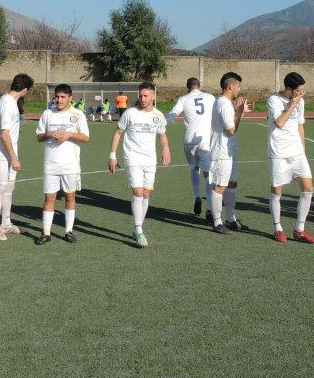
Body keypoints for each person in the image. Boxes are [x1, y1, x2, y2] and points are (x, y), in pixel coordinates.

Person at [108, 82, 171, 248]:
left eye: (146, 95)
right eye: (140, 95)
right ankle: (139, 229)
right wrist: (112, 156)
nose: (142, 98)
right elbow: (118, 133)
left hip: (150, 160)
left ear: (153, 96)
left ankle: (137, 228)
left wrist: (166, 149)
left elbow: (162, 135)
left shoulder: (158, 115)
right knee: (138, 191)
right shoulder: (130, 113)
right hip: (132, 158)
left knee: (146, 194)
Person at [35, 83, 90, 244]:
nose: (59, 100)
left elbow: (86, 137)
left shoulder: (78, 114)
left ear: (70, 98)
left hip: (70, 165)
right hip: (50, 165)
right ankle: (46, 233)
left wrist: (69, 135)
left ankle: (68, 231)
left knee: (69, 196)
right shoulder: (47, 114)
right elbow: (38, 137)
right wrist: (49, 133)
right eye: (57, 96)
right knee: (50, 197)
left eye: (63, 97)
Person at [267, 72, 314, 243]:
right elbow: (279, 123)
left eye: (302, 91)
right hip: (279, 153)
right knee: (277, 191)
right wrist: (292, 105)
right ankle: (278, 228)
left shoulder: (300, 101)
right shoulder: (274, 100)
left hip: (297, 153)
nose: (301, 94)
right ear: (289, 89)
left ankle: (299, 229)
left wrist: (303, 150)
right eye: (299, 91)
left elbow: (300, 126)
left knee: (308, 188)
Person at [0, 73, 33, 240]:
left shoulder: (13, 103)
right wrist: (14, 157)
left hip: (9, 154)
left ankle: (6, 223)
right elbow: (4, 135)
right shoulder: (7, 103)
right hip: (0, 154)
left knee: (9, 188)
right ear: (25, 89)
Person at [208, 71, 252, 234]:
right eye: (238, 86)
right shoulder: (223, 103)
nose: (239, 89)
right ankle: (217, 222)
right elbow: (231, 129)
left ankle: (231, 219)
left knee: (232, 184)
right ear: (231, 86)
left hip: (229, 151)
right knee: (219, 187)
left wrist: (239, 111)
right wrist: (239, 112)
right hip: (221, 152)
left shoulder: (225, 103)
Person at [165, 77, 215, 217]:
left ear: (188, 87)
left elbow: (173, 113)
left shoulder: (183, 99)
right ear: (200, 86)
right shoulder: (209, 97)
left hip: (189, 141)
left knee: (194, 168)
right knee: (208, 174)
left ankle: (197, 196)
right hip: (205, 140)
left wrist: (163, 122)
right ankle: (210, 209)